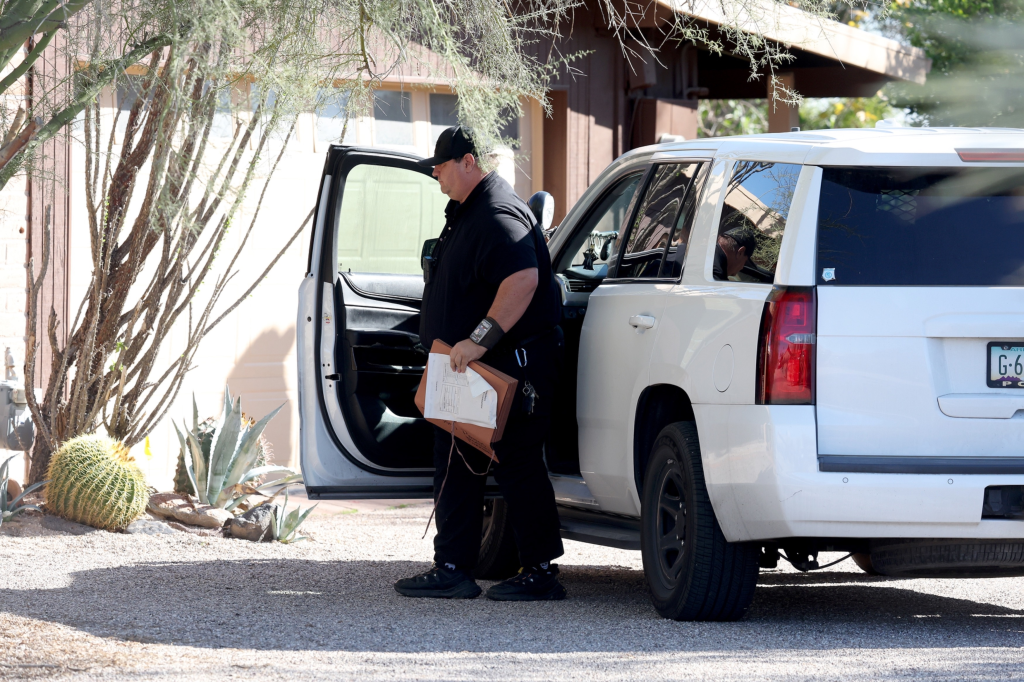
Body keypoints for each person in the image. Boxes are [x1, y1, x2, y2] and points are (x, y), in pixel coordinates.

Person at [394, 126, 567, 601]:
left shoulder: (496, 213)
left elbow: (523, 280)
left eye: (442, 165)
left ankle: (539, 573)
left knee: (517, 463)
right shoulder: (471, 211)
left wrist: (477, 339)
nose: (436, 173)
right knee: (456, 460)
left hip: (509, 366)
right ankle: (452, 567)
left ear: (468, 162)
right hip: (473, 372)